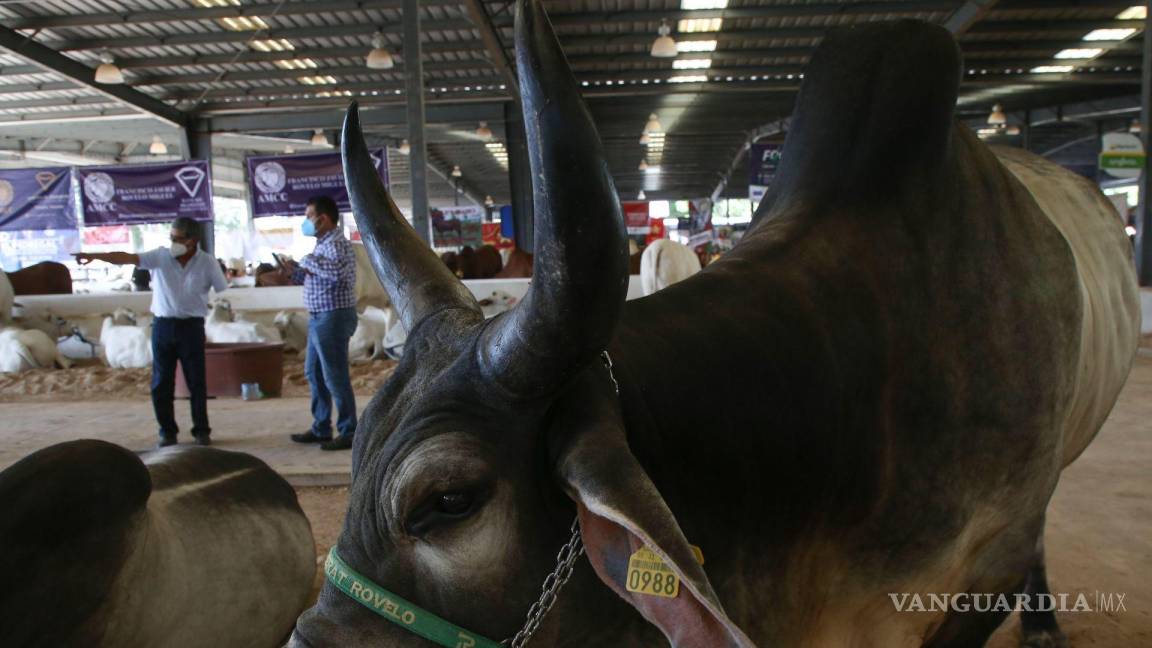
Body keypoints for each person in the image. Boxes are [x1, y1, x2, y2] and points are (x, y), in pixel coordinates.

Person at [74, 217, 227, 448]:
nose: (173, 242)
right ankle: (167, 432)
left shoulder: (207, 263)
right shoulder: (161, 257)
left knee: (197, 382)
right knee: (161, 382)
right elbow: (126, 258)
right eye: (171, 237)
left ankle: (201, 431)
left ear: (193, 240)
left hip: (192, 327)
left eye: (178, 238)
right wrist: (96, 256)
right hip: (163, 326)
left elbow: (222, 288)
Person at [286, 195, 358, 451]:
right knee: (314, 373)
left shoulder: (337, 243)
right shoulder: (322, 245)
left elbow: (338, 275)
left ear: (323, 218)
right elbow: (320, 274)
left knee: (334, 375)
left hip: (333, 316)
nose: (306, 222)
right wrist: (296, 268)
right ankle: (321, 426)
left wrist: (305, 261)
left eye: (309, 216)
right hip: (320, 316)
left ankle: (349, 430)